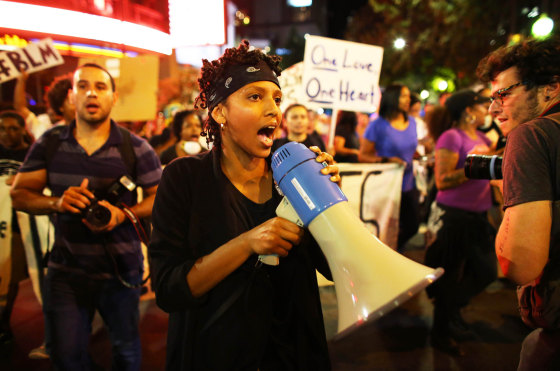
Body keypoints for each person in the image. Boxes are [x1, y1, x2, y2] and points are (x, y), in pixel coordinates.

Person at [148, 40, 339, 370]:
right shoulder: (184, 178)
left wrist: (330, 202)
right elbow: (168, 289)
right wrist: (248, 244)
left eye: (277, 99)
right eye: (255, 97)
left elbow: (335, 267)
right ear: (220, 111)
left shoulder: (298, 173)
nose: (274, 110)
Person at [10, 63, 162, 370]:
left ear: (113, 97)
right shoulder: (51, 143)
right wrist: (57, 203)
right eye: (83, 86)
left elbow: (161, 198)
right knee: (66, 357)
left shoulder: (135, 148)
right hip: (66, 271)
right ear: (71, 96)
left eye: (101, 87)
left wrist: (123, 214)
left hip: (121, 270)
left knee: (126, 349)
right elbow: (19, 194)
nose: (92, 92)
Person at [477, 37, 560, 370]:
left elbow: (519, 264)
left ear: (550, 89)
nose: (493, 109)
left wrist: (508, 192)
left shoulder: (532, 135)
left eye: (503, 94)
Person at [423, 90, 497, 356]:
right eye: (482, 104)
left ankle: (450, 310)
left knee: (487, 271)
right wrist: (478, 167)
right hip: (453, 217)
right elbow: (442, 180)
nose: (487, 109)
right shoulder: (451, 137)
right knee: (450, 276)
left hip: (478, 217)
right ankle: (441, 332)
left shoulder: (482, 138)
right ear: (468, 110)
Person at [359, 83, 419, 250]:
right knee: (386, 227)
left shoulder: (412, 122)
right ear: (393, 98)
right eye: (404, 96)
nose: (409, 100)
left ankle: (392, 251)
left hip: (409, 184)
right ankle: (386, 254)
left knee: (412, 226)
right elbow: (363, 155)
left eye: (409, 96)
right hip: (386, 186)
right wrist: (386, 160)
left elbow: (408, 148)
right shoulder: (377, 125)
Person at [0, 110, 31, 345]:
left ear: (22, 129)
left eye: (13, 128)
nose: (7, 134)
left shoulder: (32, 155)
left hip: (18, 225)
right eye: (2, 128)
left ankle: (4, 319)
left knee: (10, 275)